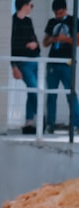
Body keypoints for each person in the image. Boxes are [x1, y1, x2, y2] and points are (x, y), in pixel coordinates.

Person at [43, 0, 79, 133]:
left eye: (60, 13)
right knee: (51, 94)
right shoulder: (52, 22)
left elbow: (78, 42)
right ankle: (50, 124)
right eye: (56, 13)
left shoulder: (74, 20)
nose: (58, 15)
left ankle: (76, 123)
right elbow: (45, 43)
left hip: (67, 63)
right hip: (53, 62)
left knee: (71, 94)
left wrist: (65, 39)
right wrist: (52, 39)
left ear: (65, 9)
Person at [12, 0, 41, 134]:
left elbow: (34, 39)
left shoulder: (28, 21)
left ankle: (29, 121)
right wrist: (13, 67)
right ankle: (41, 117)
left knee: (32, 90)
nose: (31, 8)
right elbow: (10, 45)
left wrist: (35, 44)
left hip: (35, 60)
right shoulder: (13, 22)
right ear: (24, 5)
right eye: (31, 5)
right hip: (23, 62)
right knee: (34, 89)